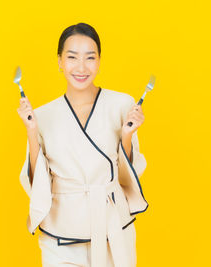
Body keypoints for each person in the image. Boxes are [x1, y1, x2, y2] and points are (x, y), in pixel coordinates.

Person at [17, 22, 148, 267]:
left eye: (90, 57)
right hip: (62, 231)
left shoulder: (121, 104)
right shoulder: (42, 115)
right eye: (72, 57)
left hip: (113, 227)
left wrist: (127, 136)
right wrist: (31, 132)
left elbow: (127, 176)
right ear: (59, 61)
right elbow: (38, 182)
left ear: (99, 61)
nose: (81, 67)